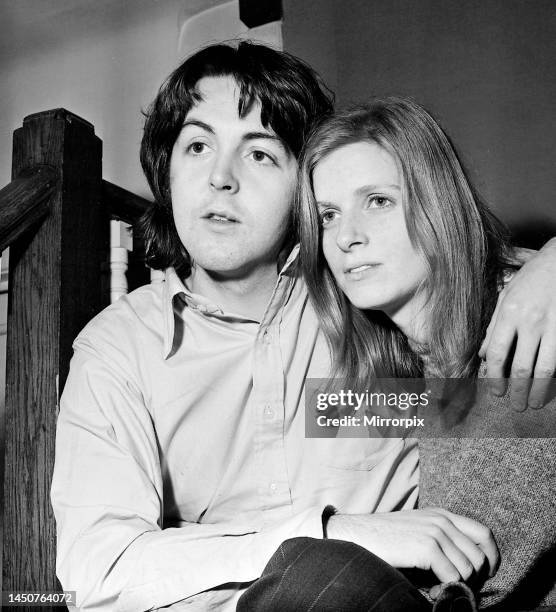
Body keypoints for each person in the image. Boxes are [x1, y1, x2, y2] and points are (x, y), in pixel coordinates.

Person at [51, 42, 556, 611]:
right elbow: (96, 571)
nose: (221, 178)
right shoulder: (118, 350)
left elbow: (464, 291)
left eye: (260, 154)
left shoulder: (361, 298)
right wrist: (329, 532)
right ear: (166, 174)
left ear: (304, 190)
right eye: (197, 146)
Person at [296, 96, 556, 609]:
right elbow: (304, 438)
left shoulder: (524, 338)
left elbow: (464, 584)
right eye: (328, 214)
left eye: (378, 201)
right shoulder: (407, 371)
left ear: (437, 203)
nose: (346, 237)